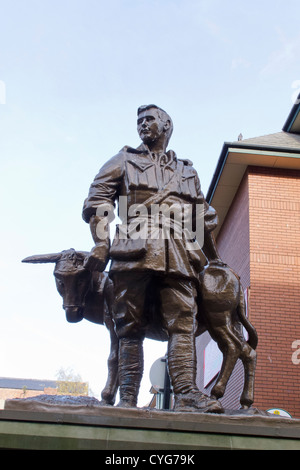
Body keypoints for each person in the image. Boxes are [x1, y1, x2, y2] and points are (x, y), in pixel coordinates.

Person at [82, 105, 223, 412]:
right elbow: (98, 201)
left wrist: (215, 260)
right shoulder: (123, 160)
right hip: (133, 247)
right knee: (128, 326)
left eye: (149, 120)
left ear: (166, 125)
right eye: (139, 121)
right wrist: (100, 243)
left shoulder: (187, 171)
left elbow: (203, 219)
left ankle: (187, 394)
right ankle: (128, 399)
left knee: (183, 322)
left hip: (178, 251)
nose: (143, 125)